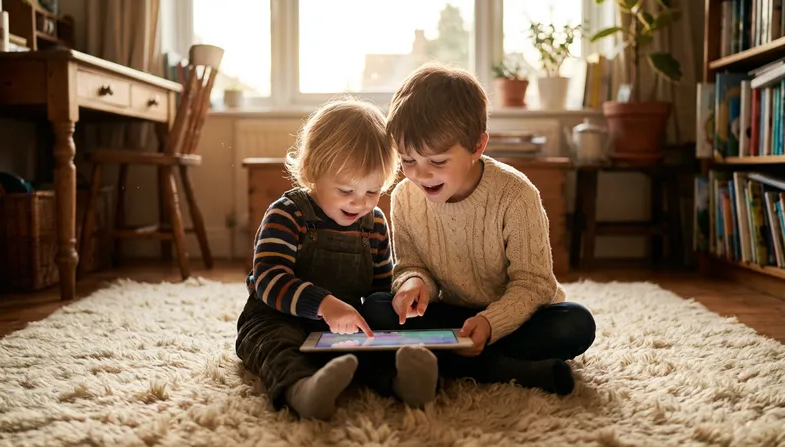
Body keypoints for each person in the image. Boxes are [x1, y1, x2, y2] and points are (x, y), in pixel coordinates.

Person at [361, 64, 597, 397]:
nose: (421, 174)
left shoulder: (516, 195)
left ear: (477, 146)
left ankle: (457, 362)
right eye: (407, 160)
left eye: (438, 162)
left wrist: (490, 323)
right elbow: (412, 266)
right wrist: (413, 284)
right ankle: (506, 369)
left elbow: (535, 283)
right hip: (453, 315)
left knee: (575, 324)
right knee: (376, 307)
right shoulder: (404, 197)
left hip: (513, 318)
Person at [235, 97, 438, 421]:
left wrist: (395, 303)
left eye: (372, 192)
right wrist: (323, 304)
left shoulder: (374, 225)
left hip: (341, 324)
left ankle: (402, 382)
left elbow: (379, 288)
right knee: (273, 345)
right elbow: (268, 279)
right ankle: (301, 390)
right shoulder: (288, 214)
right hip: (277, 315)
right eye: (346, 191)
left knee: (371, 342)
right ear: (313, 172)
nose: (360, 203)